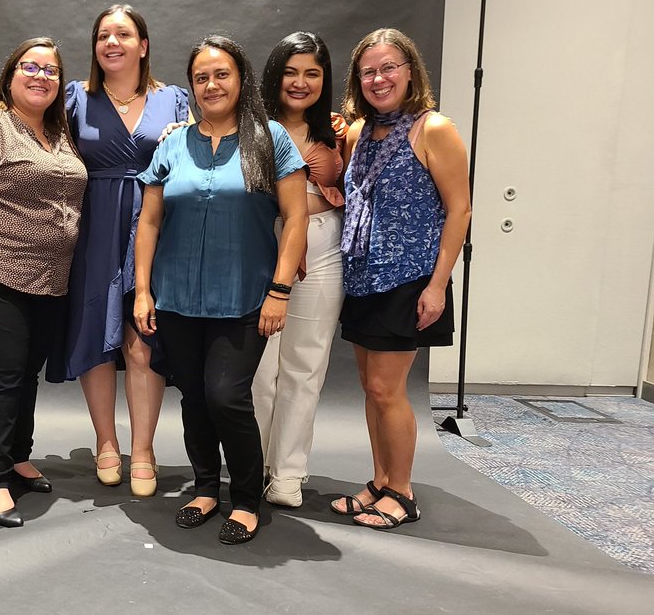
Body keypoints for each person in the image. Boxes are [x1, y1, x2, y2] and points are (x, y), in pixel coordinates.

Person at [134, 35, 308, 544]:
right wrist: (143, 291)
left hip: (244, 297)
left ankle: (247, 499)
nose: (212, 84)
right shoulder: (172, 143)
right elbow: (148, 223)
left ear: (241, 78)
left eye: (222, 74)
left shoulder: (270, 139)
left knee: (226, 395)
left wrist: (279, 290)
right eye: (201, 77)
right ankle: (206, 488)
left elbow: (296, 219)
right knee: (193, 396)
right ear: (192, 87)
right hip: (177, 297)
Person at [328, 28, 470, 530]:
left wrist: (438, 284)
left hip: (409, 279)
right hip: (364, 277)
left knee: (389, 390)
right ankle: (380, 480)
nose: (379, 78)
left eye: (389, 67)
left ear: (411, 70)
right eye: (368, 71)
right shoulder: (358, 131)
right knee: (371, 388)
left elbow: (460, 210)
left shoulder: (434, 128)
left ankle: (403, 493)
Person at [0, 37, 87, 528]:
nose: (40, 76)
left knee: (27, 370)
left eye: (51, 70)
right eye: (31, 67)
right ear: (11, 74)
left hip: (50, 277)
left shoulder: (58, 131)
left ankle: (16, 456)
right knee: (4, 373)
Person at [58, 4, 191, 496]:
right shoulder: (75, 97)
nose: (112, 42)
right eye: (103, 35)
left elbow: (201, 151)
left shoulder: (175, 99)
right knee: (96, 336)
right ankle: (106, 442)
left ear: (144, 44)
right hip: (92, 228)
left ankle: (144, 449)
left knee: (142, 339)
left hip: (153, 228)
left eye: (123, 34)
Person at [252, 32, 348, 508]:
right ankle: (257, 465)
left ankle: (288, 473)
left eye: (312, 72)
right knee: (259, 369)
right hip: (260, 246)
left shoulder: (338, 130)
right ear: (274, 74)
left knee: (305, 366)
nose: (300, 81)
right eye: (290, 71)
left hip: (323, 249)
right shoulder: (248, 127)